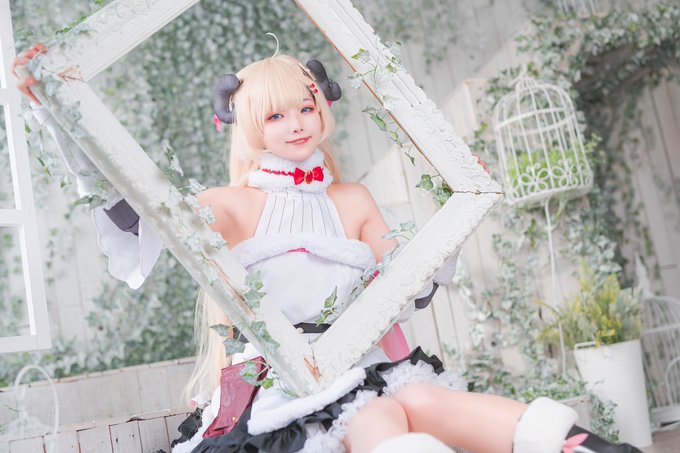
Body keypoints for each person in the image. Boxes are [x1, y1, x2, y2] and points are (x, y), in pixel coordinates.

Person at [15, 44, 642, 453]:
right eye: (274, 116)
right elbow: (132, 210)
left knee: (421, 398)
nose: (296, 124)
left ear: (322, 105)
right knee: (378, 417)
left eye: (304, 106)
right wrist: (59, 114)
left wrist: (458, 206)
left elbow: (408, 287)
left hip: (373, 364)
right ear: (246, 125)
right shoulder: (230, 205)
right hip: (289, 385)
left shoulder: (353, 199)